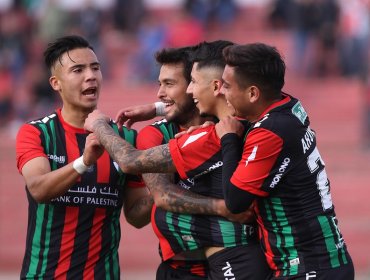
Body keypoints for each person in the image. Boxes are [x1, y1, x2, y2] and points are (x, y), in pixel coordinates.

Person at [85, 41, 271, 280]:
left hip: (235, 257)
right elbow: (161, 195)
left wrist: (107, 124)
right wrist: (223, 207)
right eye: (159, 84)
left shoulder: (226, 125)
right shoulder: (157, 134)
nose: (160, 93)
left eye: (170, 84)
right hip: (181, 270)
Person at [15, 35, 151, 279]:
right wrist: (84, 162)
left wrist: (163, 186)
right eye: (78, 69)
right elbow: (38, 188)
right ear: (56, 83)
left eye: (95, 68)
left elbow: (136, 217)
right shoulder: (37, 132)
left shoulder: (126, 140)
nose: (90, 75)